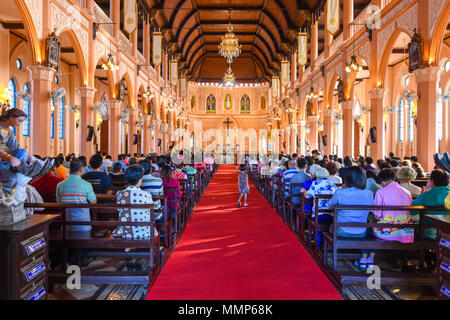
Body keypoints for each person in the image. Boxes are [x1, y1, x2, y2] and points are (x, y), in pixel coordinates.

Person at [328, 166, 374, 271]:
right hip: (361, 231)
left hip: (341, 231)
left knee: (332, 224)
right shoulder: (369, 194)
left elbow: (329, 206)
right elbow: (372, 210)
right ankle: (365, 258)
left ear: (347, 179)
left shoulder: (341, 192)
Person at [113, 165, 156, 240]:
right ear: (140, 180)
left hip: (126, 231)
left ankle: (129, 244)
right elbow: (150, 211)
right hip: (144, 231)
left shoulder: (119, 194)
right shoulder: (146, 194)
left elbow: (119, 209)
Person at [372, 169, 414, 244]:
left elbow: (376, 216)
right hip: (407, 232)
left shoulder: (381, 192)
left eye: (381, 184)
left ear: (383, 182)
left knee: (371, 227)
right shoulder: (407, 192)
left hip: (388, 233)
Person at [56, 159, 97, 234]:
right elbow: (93, 202)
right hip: (83, 225)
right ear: (81, 170)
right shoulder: (86, 184)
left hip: (66, 224)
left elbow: (59, 203)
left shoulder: (60, 185)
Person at [300, 167, 338, 247]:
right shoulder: (332, 185)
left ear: (317, 176)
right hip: (331, 215)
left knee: (316, 225)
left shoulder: (316, 183)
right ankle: (325, 245)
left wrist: (304, 192)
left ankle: (318, 244)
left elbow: (307, 196)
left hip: (318, 215)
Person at [412, 169, 450, 239]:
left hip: (429, 231)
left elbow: (412, 211)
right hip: (448, 232)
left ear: (432, 181)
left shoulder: (426, 195)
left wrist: (424, 192)